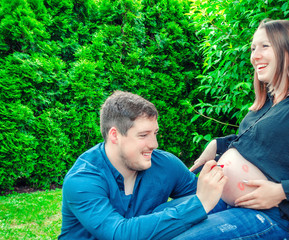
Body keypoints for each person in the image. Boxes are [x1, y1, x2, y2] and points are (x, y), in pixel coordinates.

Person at [185, 19, 289, 239]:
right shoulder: (269, 103)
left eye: (265, 46)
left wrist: (283, 191)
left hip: (274, 218)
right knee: (162, 221)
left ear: (288, 50)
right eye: (253, 48)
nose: (254, 56)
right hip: (230, 203)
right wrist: (217, 145)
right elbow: (262, 145)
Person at [58, 91, 227, 239]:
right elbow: (118, 234)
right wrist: (200, 205)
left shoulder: (164, 164)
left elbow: (213, 198)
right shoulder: (82, 180)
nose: (154, 144)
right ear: (115, 136)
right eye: (143, 135)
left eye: (155, 133)